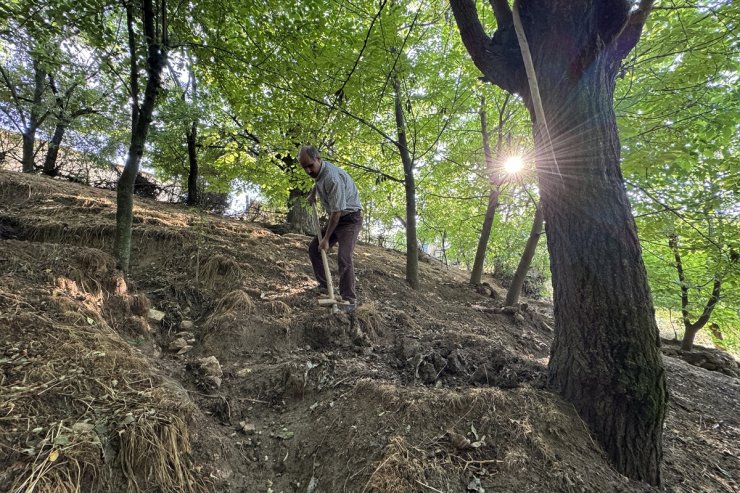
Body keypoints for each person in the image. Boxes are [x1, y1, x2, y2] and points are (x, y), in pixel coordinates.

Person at [299, 145, 362, 312]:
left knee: (344, 256)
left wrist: (326, 239)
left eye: (310, 166)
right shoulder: (320, 173)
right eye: (304, 167)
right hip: (338, 217)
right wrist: (313, 193)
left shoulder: (332, 178)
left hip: (350, 219)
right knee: (314, 248)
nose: (307, 171)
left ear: (318, 159)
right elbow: (318, 181)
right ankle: (324, 285)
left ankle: (349, 300)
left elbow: (336, 213)